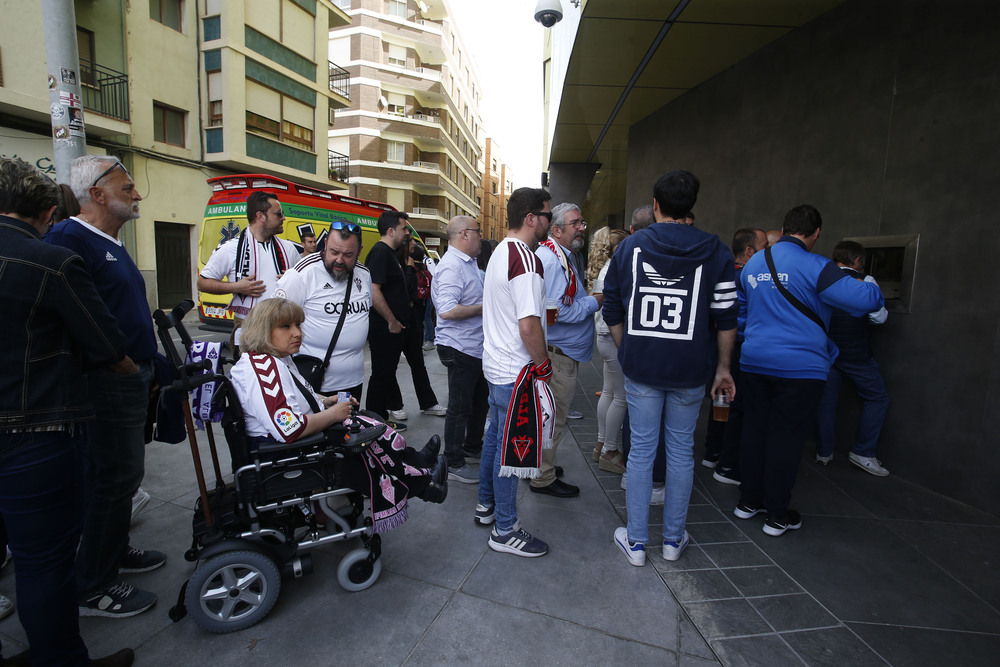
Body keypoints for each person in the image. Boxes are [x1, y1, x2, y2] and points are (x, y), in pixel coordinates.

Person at [1, 157, 134, 665]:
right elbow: (104, 342)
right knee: (42, 562)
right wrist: (126, 368)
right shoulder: (50, 261)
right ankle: (60, 659)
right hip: (35, 431)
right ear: (47, 211)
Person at [46, 155, 164, 618]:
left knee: (124, 478)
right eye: (127, 187)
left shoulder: (107, 240)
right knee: (111, 480)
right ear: (97, 194)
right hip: (106, 382)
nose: (137, 195)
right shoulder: (69, 240)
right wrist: (122, 365)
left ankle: (114, 552)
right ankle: (93, 583)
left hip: (131, 378)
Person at [603, 169, 737, 566]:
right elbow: (727, 317)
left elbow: (612, 306)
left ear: (656, 205)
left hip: (643, 368)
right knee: (681, 452)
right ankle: (673, 540)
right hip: (693, 369)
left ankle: (638, 543)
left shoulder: (630, 248)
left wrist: (629, 349)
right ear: (690, 206)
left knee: (642, 451)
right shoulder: (717, 250)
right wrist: (723, 368)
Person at [229, 298, 447, 530]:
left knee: (366, 421)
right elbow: (289, 428)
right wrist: (333, 414)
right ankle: (424, 483)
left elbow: (297, 397)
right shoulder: (263, 368)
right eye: (286, 327)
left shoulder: (276, 360)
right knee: (363, 436)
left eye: (298, 325)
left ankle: (416, 463)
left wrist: (327, 401)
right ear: (263, 330)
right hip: (284, 454)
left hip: (289, 445)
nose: (297, 333)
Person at [737, 205, 884, 537]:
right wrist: (870, 282)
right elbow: (865, 301)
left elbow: (742, 310)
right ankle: (776, 515)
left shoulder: (755, 263)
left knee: (755, 431)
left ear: (785, 227)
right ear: (816, 234)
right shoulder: (818, 266)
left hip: (754, 361)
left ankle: (748, 502)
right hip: (799, 369)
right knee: (786, 438)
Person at [480, 187, 554, 557]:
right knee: (511, 454)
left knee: (495, 441)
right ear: (531, 218)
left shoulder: (500, 252)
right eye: (548, 216)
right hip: (516, 372)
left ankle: (486, 506)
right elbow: (529, 326)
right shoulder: (525, 260)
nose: (550, 224)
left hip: (497, 368)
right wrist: (543, 365)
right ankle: (505, 529)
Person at [532, 202, 601, 498]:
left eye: (582, 222)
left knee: (548, 417)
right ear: (556, 230)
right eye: (575, 223)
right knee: (554, 418)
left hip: (560, 352)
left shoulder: (561, 256)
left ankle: (539, 467)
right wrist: (596, 300)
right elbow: (559, 310)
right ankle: (543, 477)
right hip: (557, 355)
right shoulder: (551, 260)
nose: (582, 228)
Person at [815, 240, 890, 475]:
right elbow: (880, 317)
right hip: (857, 355)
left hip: (827, 352)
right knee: (878, 398)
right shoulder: (866, 282)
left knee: (826, 403)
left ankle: (824, 452)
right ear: (857, 261)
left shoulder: (822, 277)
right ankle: (864, 452)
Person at [274, 220, 372, 399]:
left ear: (359, 251)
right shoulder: (303, 273)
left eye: (348, 254)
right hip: (315, 381)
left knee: (347, 423)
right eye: (334, 252)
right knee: (321, 425)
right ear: (325, 244)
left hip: (353, 382)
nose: (339, 260)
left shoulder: (364, 274)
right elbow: (273, 321)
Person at [197, 190, 301, 356]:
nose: (283, 218)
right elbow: (202, 283)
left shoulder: (289, 249)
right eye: (279, 214)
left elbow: (304, 284)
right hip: (248, 330)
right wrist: (237, 287)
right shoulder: (230, 249)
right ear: (260, 216)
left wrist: (292, 281)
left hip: (282, 333)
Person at [432, 216, 489, 485]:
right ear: (465, 234)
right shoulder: (452, 267)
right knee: (460, 406)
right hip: (459, 346)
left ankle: (471, 446)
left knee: (478, 401)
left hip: (473, 346)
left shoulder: (468, 264)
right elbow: (447, 310)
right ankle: (453, 460)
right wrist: (484, 307)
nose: (481, 237)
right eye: (478, 232)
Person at [710, 227, 768, 486]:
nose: (769, 254)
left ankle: (713, 453)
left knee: (721, 403)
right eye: (765, 247)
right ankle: (727, 464)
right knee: (736, 406)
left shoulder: (724, 274)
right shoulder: (748, 277)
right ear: (749, 251)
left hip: (723, 346)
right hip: (740, 346)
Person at [588, 226, 630, 475]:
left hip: (603, 336)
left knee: (609, 392)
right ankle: (610, 450)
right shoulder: (615, 268)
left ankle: (602, 443)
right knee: (620, 397)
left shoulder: (604, 268)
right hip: (612, 337)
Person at [397, 235, 446, 418]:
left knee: (418, 365)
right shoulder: (395, 263)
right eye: (409, 240)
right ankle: (394, 405)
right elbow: (405, 290)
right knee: (388, 368)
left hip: (413, 322)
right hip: (396, 323)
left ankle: (429, 403)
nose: (413, 243)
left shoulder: (417, 266)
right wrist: (409, 268)